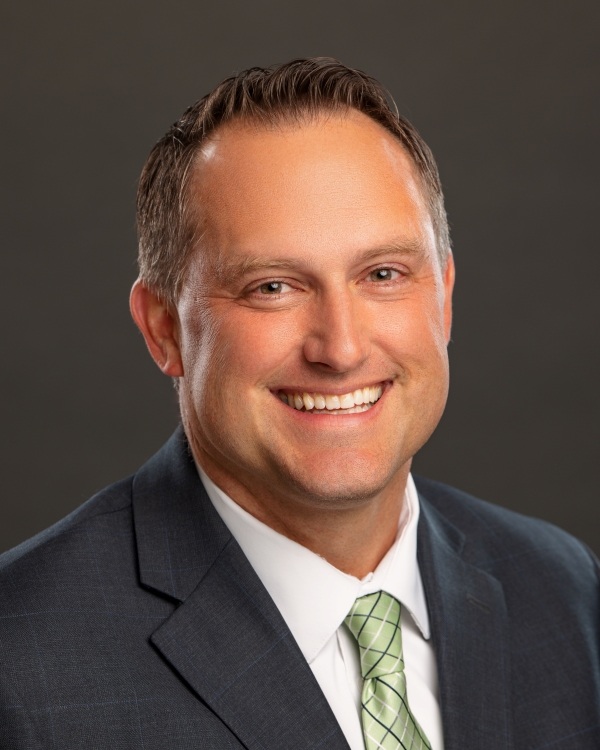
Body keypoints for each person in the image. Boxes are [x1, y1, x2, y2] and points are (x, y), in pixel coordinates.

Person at [0, 58, 598, 750]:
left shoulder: (567, 593)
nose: (340, 348)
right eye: (273, 287)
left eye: (383, 274)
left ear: (443, 298)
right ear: (164, 329)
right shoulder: (21, 666)